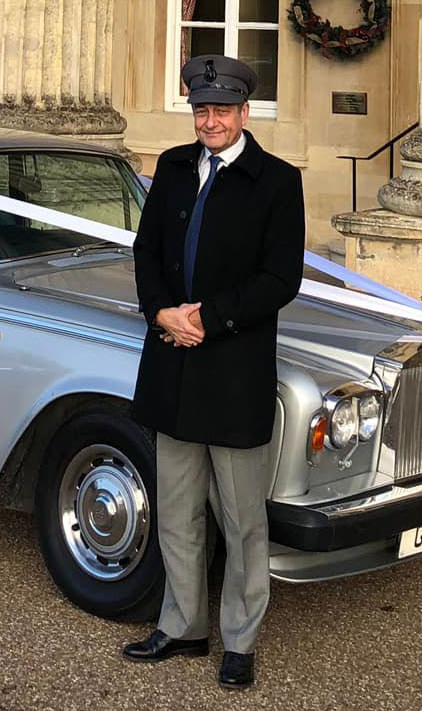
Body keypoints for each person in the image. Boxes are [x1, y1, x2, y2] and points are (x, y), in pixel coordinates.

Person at [121, 54, 305, 690]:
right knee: (176, 510)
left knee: (241, 517)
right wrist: (161, 312)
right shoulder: (172, 168)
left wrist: (211, 317)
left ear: (244, 113)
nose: (210, 120)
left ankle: (241, 640)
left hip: (232, 371)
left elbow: (282, 278)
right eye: (201, 110)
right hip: (172, 363)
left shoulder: (277, 181)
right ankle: (181, 626)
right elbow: (146, 251)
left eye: (221, 110)